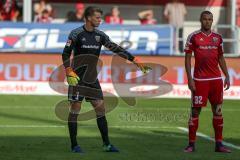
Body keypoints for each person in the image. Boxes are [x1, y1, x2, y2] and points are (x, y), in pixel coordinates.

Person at [62, 6, 150, 153]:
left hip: (92, 79)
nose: (100, 20)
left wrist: (134, 59)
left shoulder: (100, 35)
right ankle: (74, 145)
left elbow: (115, 48)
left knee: (101, 109)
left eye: (100, 17)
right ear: (89, 17)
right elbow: (65, 54)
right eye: (97, 17)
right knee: (75, 110)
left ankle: (107, 144)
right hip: (77, 78)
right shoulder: (76, 33)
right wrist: (69, 70)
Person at [184, 11, 231, 153]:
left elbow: (221, 58)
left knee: (217, 111)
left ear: (212, 21)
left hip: (216, 80)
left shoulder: (218, 38)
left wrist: (227, 75)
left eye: (210, 19)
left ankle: (219, 144)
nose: (207, 22)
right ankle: (191, 144)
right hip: (200, 80)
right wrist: (190, 79)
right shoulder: (193, 37)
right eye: (205, 19)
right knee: (195, 112)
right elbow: (187, 59)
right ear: (201, 20)